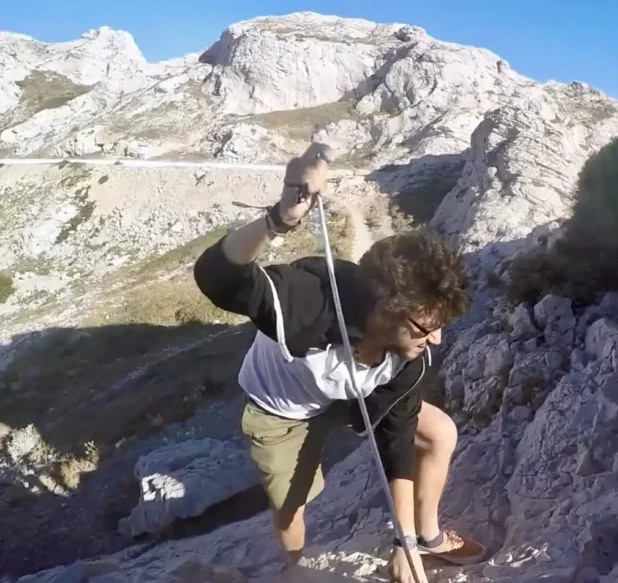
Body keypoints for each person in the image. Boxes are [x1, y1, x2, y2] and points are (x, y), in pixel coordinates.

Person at [192, 143, 484, 582]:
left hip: (351, 393)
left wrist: (402, 542)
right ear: (385, 308)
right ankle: (297, 570)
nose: (437, 339)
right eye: (427, 326)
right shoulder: (312, 301)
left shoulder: (407, 358)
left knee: (438, 433)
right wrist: (281, 218)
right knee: (291, 504)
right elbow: (218, 278)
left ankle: (427, 539)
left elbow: (397, 442)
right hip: (282, 406)